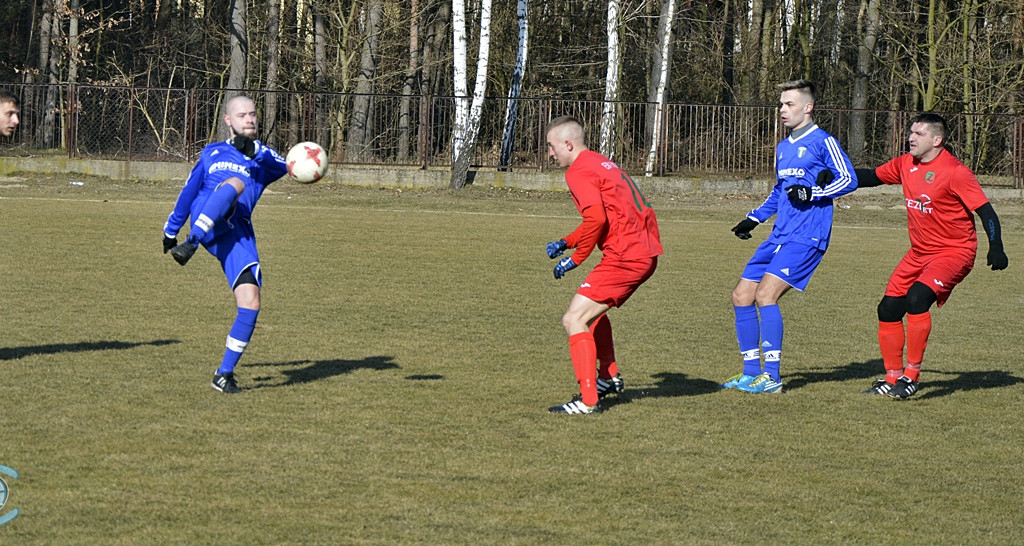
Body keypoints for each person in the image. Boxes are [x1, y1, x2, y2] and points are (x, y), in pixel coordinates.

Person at [854, 113, 1007, 399]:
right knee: (887, 309)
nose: (911, 137)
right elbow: (871, 177)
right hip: (919, 253)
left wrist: (996, 246)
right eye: (911, 132)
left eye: (918, 134)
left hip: (954, 252)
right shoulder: (905, 163)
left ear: (937, 140)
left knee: (917, 299)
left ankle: (911, 376)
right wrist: (837, 177)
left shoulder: (955, 171)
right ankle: (892, 377)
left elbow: (986, 211)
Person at [722, 79, 857, 394]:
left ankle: (772, 378)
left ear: (808, 107)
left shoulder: (823, 142)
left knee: (764, 296)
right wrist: (753, 219)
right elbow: (780, 191)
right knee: (741, 296)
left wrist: (814, 191)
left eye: (790, 104)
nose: (783, 110)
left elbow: (849, 179)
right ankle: (749, 373)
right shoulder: (783, 147)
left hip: (807, 236)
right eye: (781, 104)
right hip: (779, 235)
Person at [162, 95, 287, 394]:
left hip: (236, 232)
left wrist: (253, 149)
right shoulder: (212, 152)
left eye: (253, 114)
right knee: (234, 184)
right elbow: (189, 192)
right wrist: (171, 230)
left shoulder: (263, 158)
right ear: (228, 121)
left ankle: (224, 374)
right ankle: (192, 242)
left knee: (250, 302)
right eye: (242, 115)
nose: (250, 119)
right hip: (206, 214)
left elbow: (286, 167)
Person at [543, 116, 663, 414]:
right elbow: (605, 215)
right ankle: (607, 377)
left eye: (551, 146)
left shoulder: (578, 171)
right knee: (592, 315)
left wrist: (576, 258)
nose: (549, 154)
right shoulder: (599, 162)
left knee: (574, 319)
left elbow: (595, 219)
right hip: (642, 250)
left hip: (627, 256)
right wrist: (567, 241)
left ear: (568, 144)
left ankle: (588, 400)